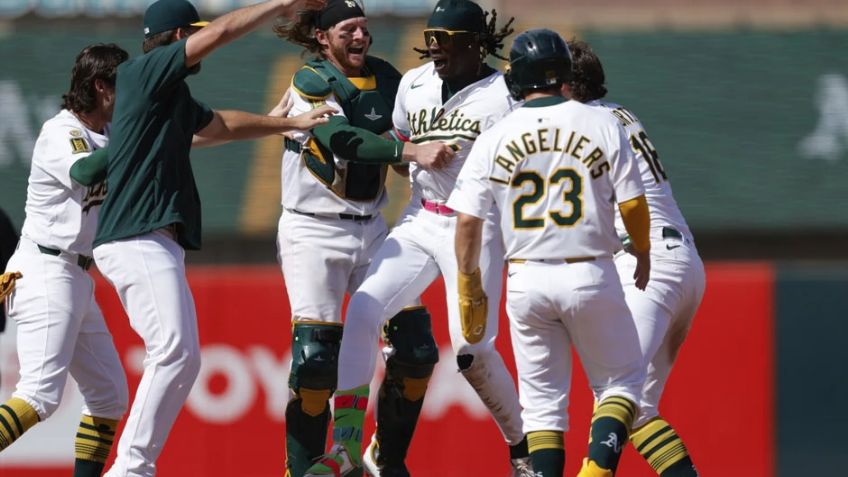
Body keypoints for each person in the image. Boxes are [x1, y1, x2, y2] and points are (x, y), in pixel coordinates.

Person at [91, 1, 333, 476]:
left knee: (183, 358)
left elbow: (220, 126)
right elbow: (220, 33)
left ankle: (132, 467)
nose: (202, 41)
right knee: (174, 352)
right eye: (194, 34)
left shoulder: (168, 94)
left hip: (152, 241)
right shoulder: (144, 71)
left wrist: (284, 122)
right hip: (136, 237)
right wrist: (284, 4)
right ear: (181, 35)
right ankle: (130, 470)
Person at [305, 2, 532, 476]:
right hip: (421, 218)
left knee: (472, 352)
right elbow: (400, 149)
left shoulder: (506, 95)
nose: (434, 47)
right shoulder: (414, 82)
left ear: (476, 43)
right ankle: (346, 445)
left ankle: (521, 447)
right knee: (363, 309)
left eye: (445, 38)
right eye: (430, 37)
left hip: (475, 228)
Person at [450, 29, 650, 477]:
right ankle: (597, 471)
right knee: (621, 383)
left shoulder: (495, 135)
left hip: (526, 279)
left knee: (542, 409)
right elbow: (634, 205)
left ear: (518, 77)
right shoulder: (601, 122)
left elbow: (466, 222)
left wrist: (468, 284)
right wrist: (643, 251)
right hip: (589, 270)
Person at [272, 1, 454, 475]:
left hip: (372, 226)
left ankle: (383, 459)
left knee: (416, 348)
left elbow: (404, 133)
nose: (360, 37)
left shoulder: (388, 77)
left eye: (364, 28)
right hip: (312, 229)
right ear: (322, 37)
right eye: (347, 29)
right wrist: (411, 152)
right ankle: (303, 468)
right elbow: (343, 140)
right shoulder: (310, 81)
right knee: (314, 360)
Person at [566, 39, 705, 477]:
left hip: (645, 262)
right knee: (638, 408)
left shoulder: (586, 123)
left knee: (615, 393)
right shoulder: (616, 113)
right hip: (680, 259)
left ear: (567, 85)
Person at [0, 43, 130, 477]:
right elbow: (85, 172)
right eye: (125, 86)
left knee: (109, 396)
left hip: (75, 275)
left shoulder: (108, 133)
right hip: (45, 267)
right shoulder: (61, 130)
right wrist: (135, 131)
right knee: (39, 396)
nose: (131, 96)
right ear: (101, 86)